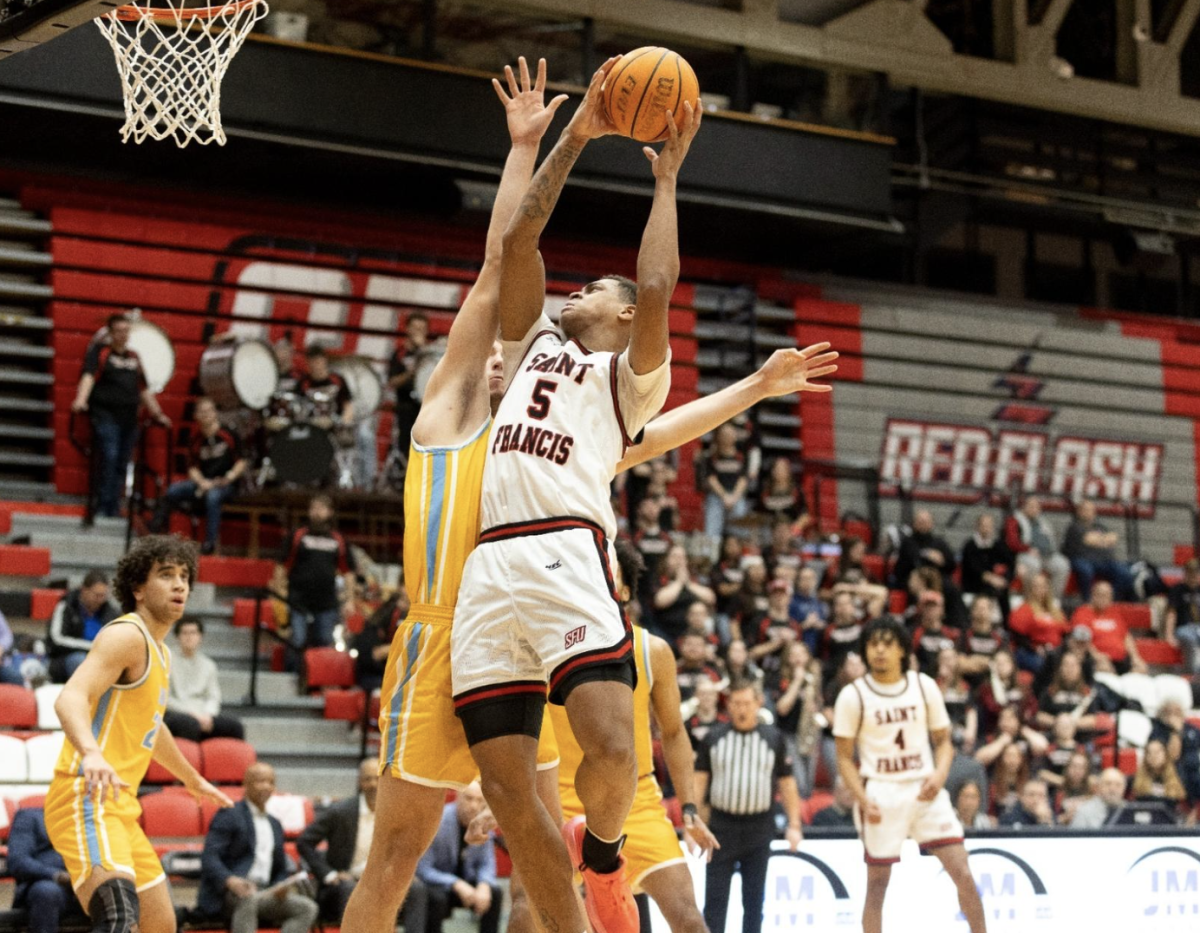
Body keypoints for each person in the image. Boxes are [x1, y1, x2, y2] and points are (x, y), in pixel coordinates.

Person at [339, 57, 836, 933]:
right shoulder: (470, 400)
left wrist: (755, 387)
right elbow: (505, 261)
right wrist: (551, 141)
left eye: (587, 291)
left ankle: (602, 877)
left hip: (544, 577)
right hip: (460, 616)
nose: (571, 293)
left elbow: (662, 409)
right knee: (405, 852)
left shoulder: (596, 405)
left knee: (556, 826)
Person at [449, 60, 700, 933]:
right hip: (489, 565)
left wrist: (665, 180)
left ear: (623, 317)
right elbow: (519, 240)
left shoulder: (631, 380)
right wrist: (580, 133)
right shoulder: (528, 348)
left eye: (594, 288)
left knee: (613, 746)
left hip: (564, 546)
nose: (577, 291)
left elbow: (659, 286)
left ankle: (603, 853)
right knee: (508, 790)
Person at [44, 535, 230, 933]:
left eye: (184, 576)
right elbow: (70, 698)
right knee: (118, 917)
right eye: (166, 575)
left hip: (120, 807)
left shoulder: (160, 653)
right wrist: (91, 753)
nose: (180, 585)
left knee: (161, 924)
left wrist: (190, 776)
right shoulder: (126, 635)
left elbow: (152, 725)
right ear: (138, 589)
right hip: (85, 798)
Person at [833, 616, 986, 933]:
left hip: (924, 788)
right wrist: (861, 798)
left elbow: (944, 743)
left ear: (902, 650)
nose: (879, 650)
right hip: (881, 792)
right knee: (877, 885)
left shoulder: (923, 685)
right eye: (874, 643)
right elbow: (844, 758)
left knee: (963, 871)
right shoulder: (854, 695)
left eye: (887, 644)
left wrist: (940, 775)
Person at [695, 682, 802, 933]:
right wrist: (694, 824)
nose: (741, 708)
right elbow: (699, 782)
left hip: (759, 828)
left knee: (754, 902)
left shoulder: (774, 738)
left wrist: (794, 825)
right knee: (714, 902)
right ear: (728, 705)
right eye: (736, 703)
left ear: (758, 703)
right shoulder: (714, 738)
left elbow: (787, 784)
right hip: (721, 828)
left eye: (746, 703)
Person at [298, 760, 424, 928]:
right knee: (349, 889)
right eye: (367, 779)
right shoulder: (340, 811)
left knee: (416, 888)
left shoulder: (397, 812)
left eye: (378, 779)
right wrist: (329, 874)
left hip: (383, 879)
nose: (373, 784)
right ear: (359, 782)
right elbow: (304, 842)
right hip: (345, 882)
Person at [71, 313, 171, 519]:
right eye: (119, 331)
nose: (123, 335)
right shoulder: (101, 352)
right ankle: (102, 506)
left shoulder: (134, 357)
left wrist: (158, 414)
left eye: (126, 331)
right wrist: (81, 399)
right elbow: (88, 377)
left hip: (129, 420)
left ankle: (113, 507)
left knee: (122, 463)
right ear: (110, 333)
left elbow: (143, 389)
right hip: (105, 415)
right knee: (109, 456)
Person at [198, 763, 319, 933]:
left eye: (271, 782)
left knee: (307, 907)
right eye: (260, 781)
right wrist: (230, 880)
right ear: (246, 784)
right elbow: (210, 857)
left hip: (265, 892)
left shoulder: (275, 823)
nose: (266, 786)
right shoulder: (229, 814)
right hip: (231, 893)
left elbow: (280, 869)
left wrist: (280, 886)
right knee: (248, 898)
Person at [153, 397, 246, 555]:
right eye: (202, 412)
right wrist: (202, 482)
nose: (206, 415)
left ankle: (209, 543)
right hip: (203, 483)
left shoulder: (228, 434)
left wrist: (229, 477)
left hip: (226, 484)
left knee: (213, 496)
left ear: (215, 413)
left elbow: (241, 462)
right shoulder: (195, 440)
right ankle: (155, 530)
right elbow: (192, 469)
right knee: (173, 490)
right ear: (196, 415)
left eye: (209, 411)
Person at [275, 494, 357, 670]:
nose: (316, 512)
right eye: (313, 508)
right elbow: (282, 566)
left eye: (321, 508)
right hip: (298, 599)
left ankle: (318, 683)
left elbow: (348, 572)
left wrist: (350, 599)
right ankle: (290, 678)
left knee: (325, 642)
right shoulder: (298, 535)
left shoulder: (338, 539)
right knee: (297, 639)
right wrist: (279, 592)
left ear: (330, 512)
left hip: (326, 602)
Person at [416, 782, 502, 933]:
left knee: (494, 892)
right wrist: (456, 883)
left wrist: (484, 884)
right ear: (457, 797)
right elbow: (423, 869)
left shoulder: (483, 824)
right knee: (436, 898)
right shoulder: (438, 822)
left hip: (468, 882)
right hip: (439, 883)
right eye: (469, 798)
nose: (474, 806)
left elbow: (487, 863)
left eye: (479, 800)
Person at [8, 807, 87, 933]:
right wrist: (58, 875)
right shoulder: (31, 817)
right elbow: (18, 861)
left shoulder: (94, 818)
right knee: (46, 891)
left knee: (115, 889)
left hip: (90, 882)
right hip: (50, 882)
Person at [164, 619, 244, 742]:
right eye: (185, 633)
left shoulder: (208, 665)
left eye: (193, 633)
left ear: (200, 636)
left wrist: (207, 715)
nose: (189, 637)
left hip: (203, 714)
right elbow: (165, 698)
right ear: (177, 637)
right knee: (189, 724)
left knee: (234, 726)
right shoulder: (167, 660)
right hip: (176, 713)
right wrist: (193, 714)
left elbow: (213, 697)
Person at [47, 570, 119, 682]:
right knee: (82, 661)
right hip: (66, 658)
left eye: (103, 596)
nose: (100, 600)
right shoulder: (66, 606)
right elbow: (56, 639)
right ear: (84, 590)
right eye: (96, 595)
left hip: (101, 658)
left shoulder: (111, 613)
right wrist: (91, 647)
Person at [1062, 499, 1135, 601]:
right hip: (1080, 559)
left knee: (1124, 572)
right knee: (1086, 570)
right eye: (1085, 510)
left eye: (1090, 510)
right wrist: (1103, 540)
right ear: (1079, 511)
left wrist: (1098, 539)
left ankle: (1110, 601)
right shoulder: (1074, 526)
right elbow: (1089, 539)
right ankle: (1087, 601)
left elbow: (1113, 537)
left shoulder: (1099, 526)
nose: (1088, 512)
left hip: (1102, 560)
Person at [1070, 580, 1147, 674]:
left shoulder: (1114, 613)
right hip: (1097, 659)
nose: (1103, 599)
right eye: (1100, 595)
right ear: (1093, 595)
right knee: (1104, 670)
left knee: (1141, 669)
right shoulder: (1083, 612)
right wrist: (1096, 655)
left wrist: (1135, 657)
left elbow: (1126, 637)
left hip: (1121, 660)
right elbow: (1082, 640)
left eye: (1107, 595)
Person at [1005, 496, 1070, 598]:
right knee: (1034, 565)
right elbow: (1012, 542)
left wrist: (1051, 549)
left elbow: (1050, 539)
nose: (1034, 509)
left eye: (1036, 507)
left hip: (1047, 555)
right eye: (1031, 506)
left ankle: (1052, 600)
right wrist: (1027, 549)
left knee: (1062, 565)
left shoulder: (1043, 522)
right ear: (1024, 507)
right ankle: (1030, 599)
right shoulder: (1014, 520)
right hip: (1025, 554)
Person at [653, 544, 717, 646]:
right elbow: (660, 601)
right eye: (675, 557)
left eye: (682, 557)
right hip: (666, 632)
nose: (679, 561)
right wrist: (678, 582)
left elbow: (711, 598)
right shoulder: (660, 580)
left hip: (693, 633)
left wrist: (688, 584)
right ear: (666, 560)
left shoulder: (693, 581)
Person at [387, 312, 431, 459]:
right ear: (407, 329)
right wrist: (410, 374)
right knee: (405, 445)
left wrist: (422, 352)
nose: (418, 332)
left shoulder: (431, 355)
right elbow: (392, 381)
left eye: (422, 328)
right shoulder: (399, 354)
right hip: (406, 406)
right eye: (415, 328)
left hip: (426, 408)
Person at [1008, 571, 1069, 673]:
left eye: (1043, 586)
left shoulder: (1055, 611)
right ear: (1030, 589)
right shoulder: (1024, 610)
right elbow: (1018, 636)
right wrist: (1036, 649)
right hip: (1030, 651)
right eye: (1036, 586)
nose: (1040, 590)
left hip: (1054, 651)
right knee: (1045, 666)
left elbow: (1065, 633)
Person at [703, 422, 751, 540]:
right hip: (717, 495)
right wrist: (724, 496)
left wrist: (733, 497)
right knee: (712, 518)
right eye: (724, 434)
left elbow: (743, 479)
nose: (727, 437)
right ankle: (712, 548)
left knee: (740, 513)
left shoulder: (741, 456)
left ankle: (737, 545)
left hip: (736, 495)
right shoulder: (712, 457)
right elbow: (711, 479)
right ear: (718, 436)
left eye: (730, 434)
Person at [960, 513, 1013, 619]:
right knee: (995, 590)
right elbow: (971, 568)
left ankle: (1007, 625)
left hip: (995, 583)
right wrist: (988, 577)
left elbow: (1009, 562)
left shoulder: (998, 545)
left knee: (1002, 589)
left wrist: (1004, 579)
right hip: (974, 583)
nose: (987, 529)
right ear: (977, 527)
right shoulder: (970, 545)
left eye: (989, 526)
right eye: (984, 525)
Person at [890, 509, 956, 592]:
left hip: (936, 579)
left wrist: (943, 562)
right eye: (920, 521)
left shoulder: (940, 543)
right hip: (913, 578)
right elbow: (904, 565)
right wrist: (927, 555)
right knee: (920, 585)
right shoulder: (907, 542)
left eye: (926, 522)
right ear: (914, 523)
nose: (923, 524)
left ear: (932, 524)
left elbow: (951, 565)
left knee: (951, 588)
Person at [298, 345, 354, 426]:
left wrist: (344, 421)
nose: (316, 366)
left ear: (324, 360)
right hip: (311, 426)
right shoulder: (303, 383)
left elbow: (348, 405)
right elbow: (299, 407)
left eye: (318, 361)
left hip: (334, 424)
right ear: (308, 363)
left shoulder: (337, 380)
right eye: (312, 362)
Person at [1164, 557, 1200, 673]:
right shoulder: (1177, 590)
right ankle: (1191, 674)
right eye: (1190, 574)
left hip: (1198, 627)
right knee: (1190, 639)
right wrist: (1169, 635)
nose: (1192, 578)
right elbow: (1171, 613)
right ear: (1185, 574)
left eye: (1195, 574)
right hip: (1183, 628)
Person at [1131, 739, 1187, 808]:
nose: (1153, 756)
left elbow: (1179, 797)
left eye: (1157, 752)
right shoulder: (1137, 778)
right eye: (1149, 753)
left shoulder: (1178, 776)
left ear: (1165, 754)